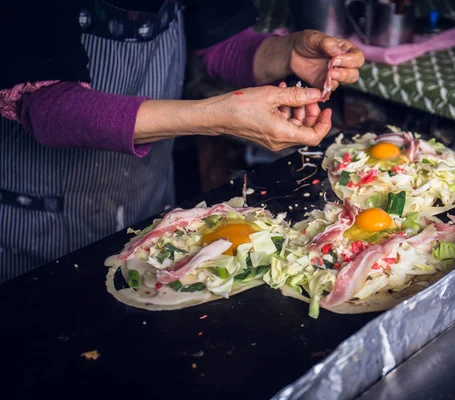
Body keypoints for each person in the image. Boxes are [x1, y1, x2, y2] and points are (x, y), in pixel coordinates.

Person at [0, 0, 365, 283]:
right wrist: (213, 118)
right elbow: (48, 106)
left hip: (145, 201)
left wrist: (288, 54)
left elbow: (221, 47)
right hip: (36, 221)